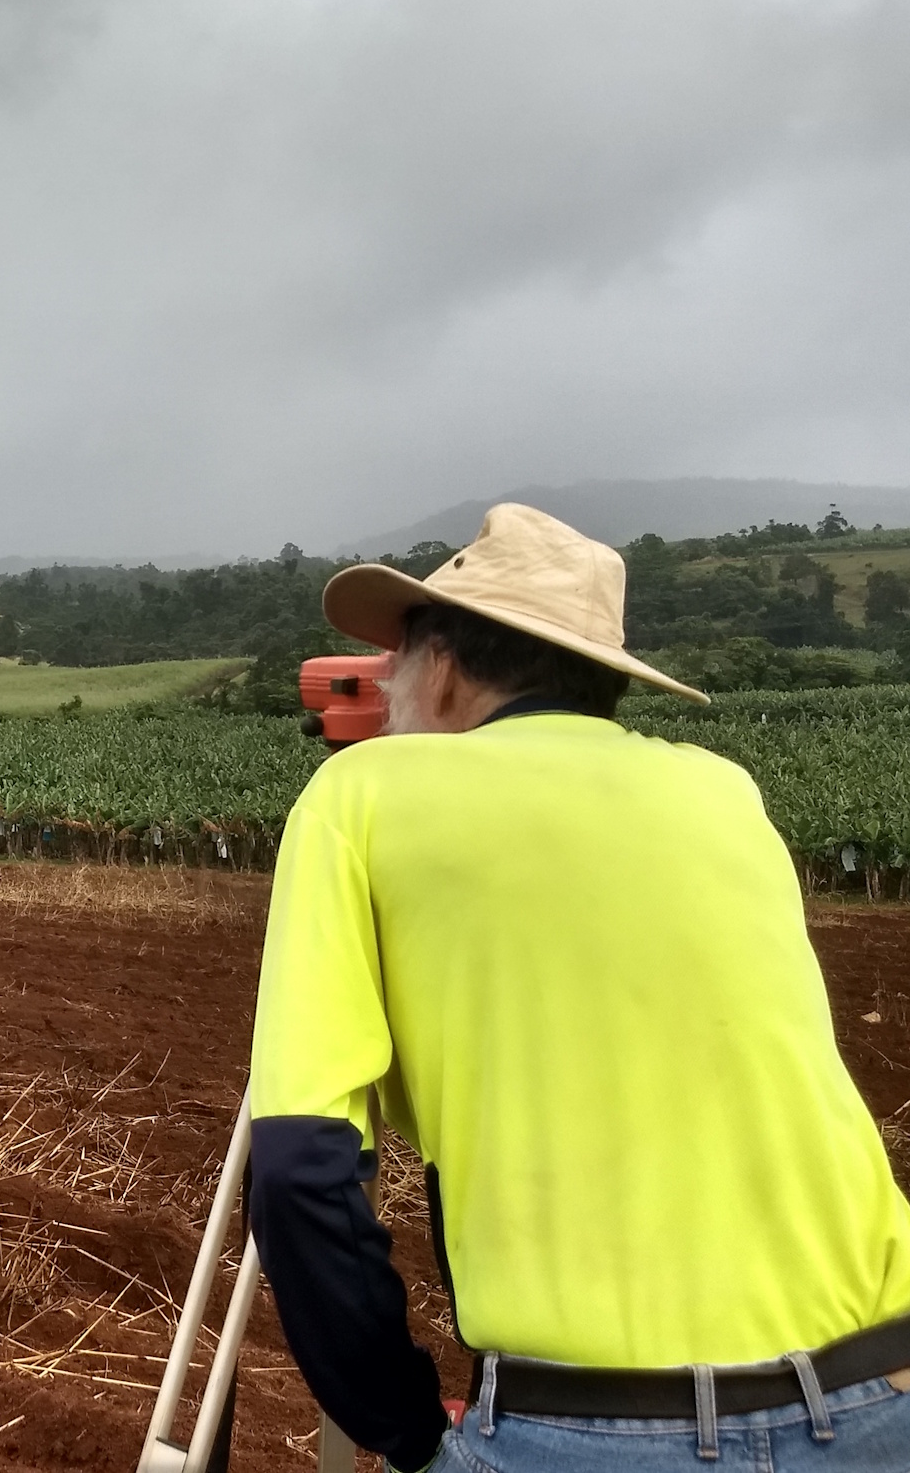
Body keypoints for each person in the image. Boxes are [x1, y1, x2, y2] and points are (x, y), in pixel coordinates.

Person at [247, 504, 910, 1471]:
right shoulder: (725, 791)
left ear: (446, 667)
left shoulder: (361, 797)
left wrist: (408, 1437)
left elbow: (302, 1166)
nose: (381, 677)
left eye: (400, 651)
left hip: (594, 1430)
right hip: (883, 1389)